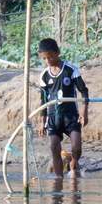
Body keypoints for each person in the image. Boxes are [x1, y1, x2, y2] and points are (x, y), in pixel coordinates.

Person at [37, 38, 89, 178]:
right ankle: (58, 179)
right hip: (53, 117)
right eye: (44, 58)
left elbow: (84, 91)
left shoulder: (70, 70)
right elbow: (43, 100)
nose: (48, 61)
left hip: (71, 116)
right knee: (54, 147)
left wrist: (84, 112)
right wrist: (42, 121)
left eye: (50, 57)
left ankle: (74, 162)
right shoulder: (44, 75)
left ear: (58, 53)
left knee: (77, 147)